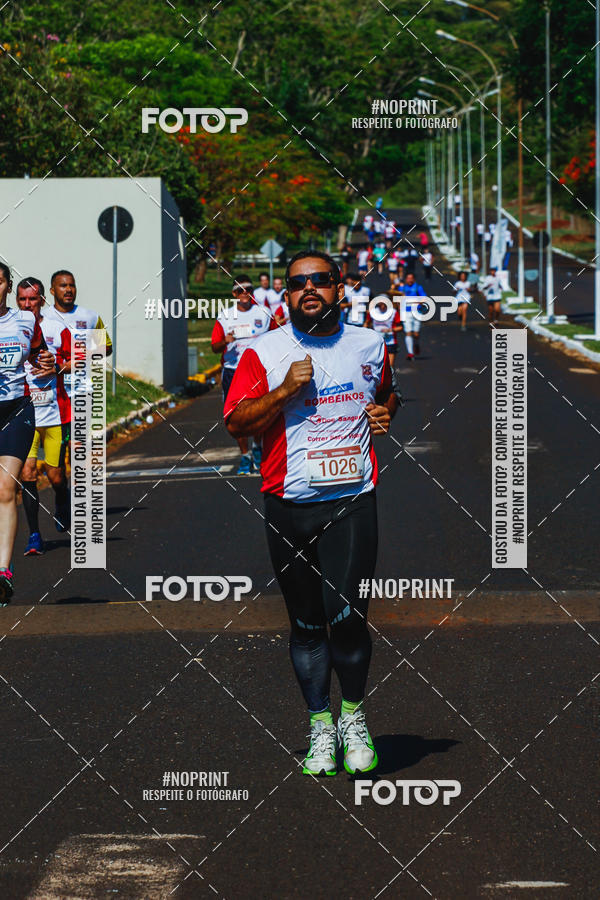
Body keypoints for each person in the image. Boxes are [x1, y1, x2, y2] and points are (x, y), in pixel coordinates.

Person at [224, 250, 398, 777]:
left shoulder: (369, 344)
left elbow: (388, 395)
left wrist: (386, 412)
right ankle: (320, 725)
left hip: (352, 499)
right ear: (286, 294)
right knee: (304, 625)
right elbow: (237, 423)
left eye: (320, 280)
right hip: (289, 505)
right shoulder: (263, 351)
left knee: (347, 616)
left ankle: (354, 718)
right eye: (298, 282)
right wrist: (284, 390)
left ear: (339, 289)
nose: (309, 289)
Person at [0, 263, 55, 603]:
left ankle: (3, 571)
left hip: (17, 410)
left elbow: (39, 354)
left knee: (6, 488)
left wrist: (46, 361)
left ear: (7, 286)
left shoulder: (24, 320)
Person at [44, 270, 112, 531]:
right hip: (54, 396)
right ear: (52, 291)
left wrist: (84, 355)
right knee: (56, 467)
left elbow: (107, 347)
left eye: (71, 285)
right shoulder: (44, 318)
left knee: (78, 450)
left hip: (82, 390)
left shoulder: (90, 316)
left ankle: (81, 505)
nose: (68, 290)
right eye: (62, 286)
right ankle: (62, 499)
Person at [16, 278, 71, 555]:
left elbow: (81, 359)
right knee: (27, 473)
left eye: (32, 299)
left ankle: (62, 500)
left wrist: (58, 367)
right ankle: (34, 535)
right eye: (22, 300)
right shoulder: (12, 328)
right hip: (25, 414)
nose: (27, 305)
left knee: (56, 476)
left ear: (42, 300)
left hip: (55, 415)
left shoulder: (57, 328)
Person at [211, 275, 278, 474]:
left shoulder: (264, 313)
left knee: (259, 411)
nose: (244, 293)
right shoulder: (225, 316)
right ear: (234, 294)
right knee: (235, 416)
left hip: (257, 370)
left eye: (248, 289)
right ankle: (245, 455)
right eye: (240, 290)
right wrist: (225, 341)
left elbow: (277, 337)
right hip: (233, 370)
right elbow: (214, 346)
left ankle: (257, 447)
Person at [365, 297, 402, 369]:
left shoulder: (393, 312)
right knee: (376, 366)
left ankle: (391, 376)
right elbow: (366, 323)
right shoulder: (373, 312)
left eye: (384, 304)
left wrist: (390, 330)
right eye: (381, 304)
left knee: (390, 366)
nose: (382, 306)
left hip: (390, 341)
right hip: (376, 342)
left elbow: (400, 327)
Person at [399, 272, 427, 361]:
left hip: (416, 312)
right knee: (408, 332)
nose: (410, 280)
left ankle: (416, 343)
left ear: (414, 279)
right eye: (408, 278)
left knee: (416, 334)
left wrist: (418, 302)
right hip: (406, 312)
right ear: (406, 279)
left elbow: (424, 298)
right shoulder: (402, 288)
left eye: (411, 278)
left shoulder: (418, 287)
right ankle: (410, 353)